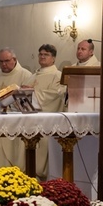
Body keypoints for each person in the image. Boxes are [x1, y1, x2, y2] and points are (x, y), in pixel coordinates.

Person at [0, 47, 33, 168]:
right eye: (1, 61)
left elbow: (29, 103)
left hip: (15, 124)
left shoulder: (26, 75)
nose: (3, 64)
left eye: (6, 61)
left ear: (14, 59)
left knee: (13, 159)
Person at [22, 44, 67, 178]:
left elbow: (55, 96)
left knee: (43, 158)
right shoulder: (33, 76)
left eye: (46, 54)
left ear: (53, 58)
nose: (42, 57)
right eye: (40, 54)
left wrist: (32, 93)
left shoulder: (58, 75)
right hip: (29, 123)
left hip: (47, 123)